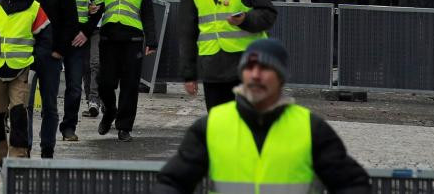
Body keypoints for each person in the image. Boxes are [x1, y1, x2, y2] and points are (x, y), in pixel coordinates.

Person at [156, 38, 370, 194]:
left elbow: (352, 184)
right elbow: (172, 182)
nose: (256, 75)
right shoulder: (212, 126)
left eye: (265, 68)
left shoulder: (311, 128)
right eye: (249, 67)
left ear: (282, 77)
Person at [0, 0, 50, 161]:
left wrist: (36, 61)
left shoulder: (33, 7)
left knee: (19, 115)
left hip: (21, 69)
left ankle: (19, 157)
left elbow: (45, 37)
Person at [97, 0, 157, 142]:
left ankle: (124, 127)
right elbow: (96, 6)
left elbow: (148, 14)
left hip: (133, 39)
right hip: (109, 37)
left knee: (130, 85)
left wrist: (152, 40)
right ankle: (110, 111)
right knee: (105, 82)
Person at [23, 0, 76, 158]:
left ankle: (47, 149)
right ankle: (24, 147)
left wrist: (60, 50)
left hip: (51, 55)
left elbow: (70, 21)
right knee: (23, 106)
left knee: (50, 106)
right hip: (25, 54)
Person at [52, 0, 103, 142]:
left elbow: (99, 4)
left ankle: (68, 127)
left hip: (76, 38)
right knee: (49, 87)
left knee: (74, 87)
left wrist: (87, 31)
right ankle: (49, 126)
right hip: (53, 37)